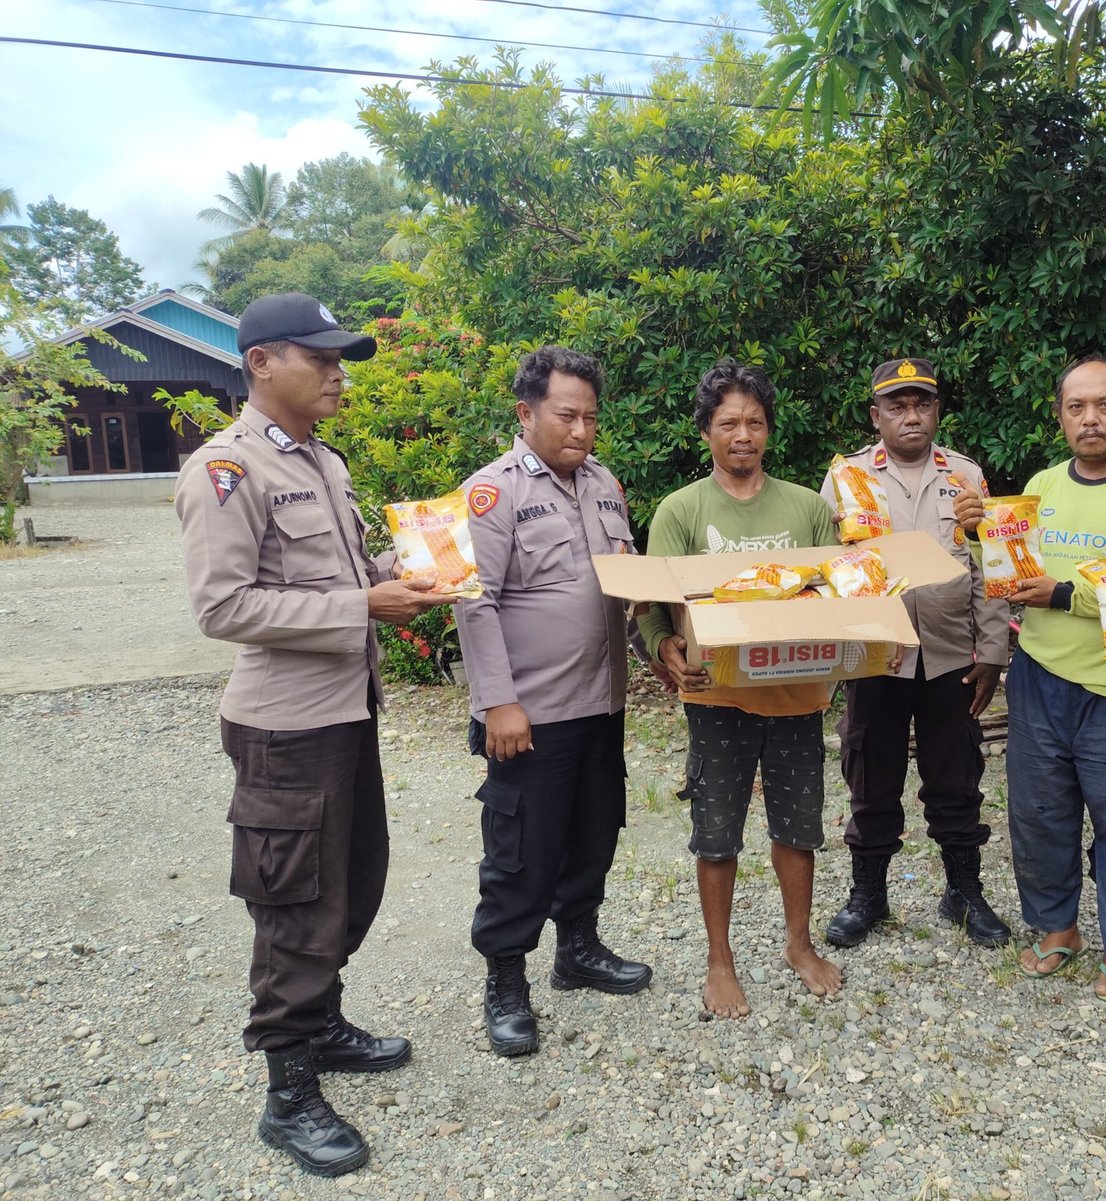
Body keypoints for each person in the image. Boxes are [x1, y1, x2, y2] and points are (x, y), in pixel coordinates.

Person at [175, 292, 456, 1177]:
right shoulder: (227, 471)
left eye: (342, 359)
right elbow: (222, 607)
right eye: (321, 357)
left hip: (344, 711)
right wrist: (359, 603)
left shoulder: (322, 464)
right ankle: (287, 1094)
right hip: (284, 727)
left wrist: (404, 568)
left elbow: (334, 573)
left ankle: (323, 1024)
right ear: (261, 362)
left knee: (350, 880)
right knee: (295, 902)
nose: (338, 373)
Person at [955, 356, 1106, 1002]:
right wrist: (979, 534)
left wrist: (1063, 594)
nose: (1090, 418)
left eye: (1105, 405)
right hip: (1039, 674)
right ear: (1060, 415)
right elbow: (1011, 574)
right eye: (1076, 407)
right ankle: (1056, 928)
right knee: (1040, 812)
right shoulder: (1043, 484)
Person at [455, 346, 652, 1061]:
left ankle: (579, 948)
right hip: (529, 714)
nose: (581, 430)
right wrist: (497, 702)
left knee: (595, 831)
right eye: (567, 415)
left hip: (600, 704)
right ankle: (506, 982)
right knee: (521, 853)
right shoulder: (492, 492)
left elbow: (624, 584)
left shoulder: (605, 484)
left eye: (591, 417)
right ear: (527, 412)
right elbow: (475, 604)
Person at [638, 359, 843, 1018]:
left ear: (769, 431)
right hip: (717, 699)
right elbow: (652, 602)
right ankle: (719, 960)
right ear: (706, 432)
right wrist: (662, 643)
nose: (743, 434)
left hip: (796, 696)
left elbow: (839, 592)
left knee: (799, 828)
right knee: (717, 832)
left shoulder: (809, 508)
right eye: (728, 422)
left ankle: (798, 943)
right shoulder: (680, 511)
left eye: (755, 421)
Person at [820, 356, 1013, 949]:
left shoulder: (966, 476)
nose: (911, 416)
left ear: (937, 411)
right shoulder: (845, 480)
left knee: (957, 777)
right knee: (871, 777)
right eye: (897, 406)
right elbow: (826, 572)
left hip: (953, 656)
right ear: (875, 415)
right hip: (877, 658)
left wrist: (993, 650)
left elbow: (987, 567)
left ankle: (964, 892)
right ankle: (869, 896)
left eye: (922, 404)